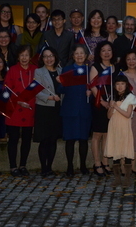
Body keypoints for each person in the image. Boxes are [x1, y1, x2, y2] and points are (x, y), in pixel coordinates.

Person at [59, 44, 92, 177]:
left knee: (83, 139)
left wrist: (91, 92)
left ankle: (83, 165)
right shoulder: (67, 70)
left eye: (82, 53)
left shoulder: (90, 70)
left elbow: (96, 87)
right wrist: (60, 82)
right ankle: (70, 166)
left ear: (86, 55)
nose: (79, 56)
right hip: (69, 109)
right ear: (73, 55)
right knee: (70, 140)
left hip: (84, 108)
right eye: (76, 53)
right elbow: (61, 90)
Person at [3, 45, 36, 177]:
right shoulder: (12, 70)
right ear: (18, 57)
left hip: (30, 108)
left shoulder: (35, 69)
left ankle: (23, 165)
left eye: (26, 55)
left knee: (27, 139)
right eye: (22, 55)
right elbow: (6, 89)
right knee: (13, 139)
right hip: (15, 108)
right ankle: (13, 166)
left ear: (30, 56)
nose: (24, 58)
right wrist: (17, 101)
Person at [105, 75, 136, 188]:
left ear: (126, 85)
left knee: (126, 151)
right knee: (116, 151)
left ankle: (127, 179)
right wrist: (111, 107)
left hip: (124, 126)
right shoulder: (113, 97)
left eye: (122, 84)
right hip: (114, 126)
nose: (120, 86)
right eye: (118, 84)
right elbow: (109, 116)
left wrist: (116, 107)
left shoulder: (130, 98)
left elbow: (128, 114)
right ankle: (117, 179)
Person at [33, 47, 63, 177]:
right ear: (42, 59)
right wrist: (50, 97)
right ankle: (43, 168)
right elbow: (36, 91)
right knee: (44, 140)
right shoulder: (38, 71)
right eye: (45, 56)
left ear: (55, 57)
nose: (48, 59)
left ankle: (49, 167)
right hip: (44, 109)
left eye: (51, 56)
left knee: (53, 139)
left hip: (57, 109)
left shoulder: (61, 71)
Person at [89, 41, 115, 176]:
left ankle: (105, 162)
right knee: (97, 134)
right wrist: (102, 102)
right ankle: (97, 163)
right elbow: (93, 86)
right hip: (99, 104)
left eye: (109, 50)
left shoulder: (115, 67)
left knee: (107, 134)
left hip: (112, 105)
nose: (106, 53)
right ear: (99, 53)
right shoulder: (95, 67)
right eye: (103, 50)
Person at [119, 49, 136, 174]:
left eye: (134, 59)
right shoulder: (122, 75)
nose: (131, 61)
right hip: (125, 111)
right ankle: (123, 165)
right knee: (124, 137)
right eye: (128, 59)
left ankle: (133, 165)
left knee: (135, 137)